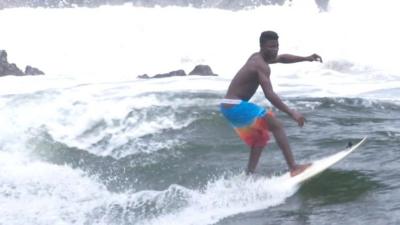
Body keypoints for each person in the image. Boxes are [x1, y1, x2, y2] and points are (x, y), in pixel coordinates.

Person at [220, 31, 322, 177]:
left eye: (276, 46)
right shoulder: (260, 65)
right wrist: (291, 112)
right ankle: (293, 167)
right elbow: (269, 94)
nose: (275, 50)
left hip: (228, 106)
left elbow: (282, 58)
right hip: (234, 105)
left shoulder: (257, 57)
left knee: (260, 139)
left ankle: (248, 176)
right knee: (277, 125)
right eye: (271, 47)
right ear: (262, 46)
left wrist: (306, 58)